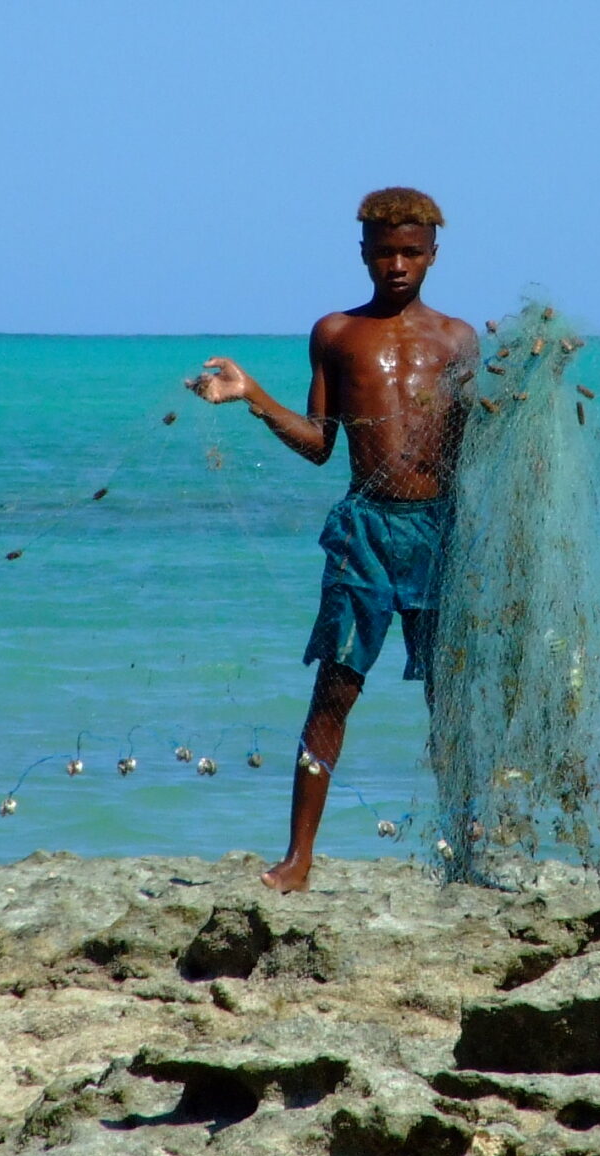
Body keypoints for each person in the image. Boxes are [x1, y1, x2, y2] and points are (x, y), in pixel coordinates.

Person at [191, 188, 478, 892]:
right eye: (385, 252)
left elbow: (477, 445)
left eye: (412, 251)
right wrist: (254, 396)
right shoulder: (337, 334)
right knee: (335, 689)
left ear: (435, 254)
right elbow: (321, 443)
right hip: (366, 531)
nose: (398, 264)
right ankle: (298, 859)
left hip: (441, 531)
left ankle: (468, 852)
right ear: (363, 254)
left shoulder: (460, 340)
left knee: (450, 694)